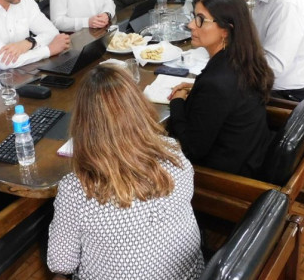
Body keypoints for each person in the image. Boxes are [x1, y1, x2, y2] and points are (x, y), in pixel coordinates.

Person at [47, 66, 205, 279]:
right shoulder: (173, 153)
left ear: (83, 125)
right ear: (139, 107)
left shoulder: (76, 189)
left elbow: (62, 264)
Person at [166, 0, 274, 176]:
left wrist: (177, 101)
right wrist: (196, 90)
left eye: (200, 20)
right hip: (251, 155)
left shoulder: (217, 83)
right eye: (193, 17)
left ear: (225, 30)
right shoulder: (243, 58)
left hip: (225, 177)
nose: (191, 25)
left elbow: (191, 149)